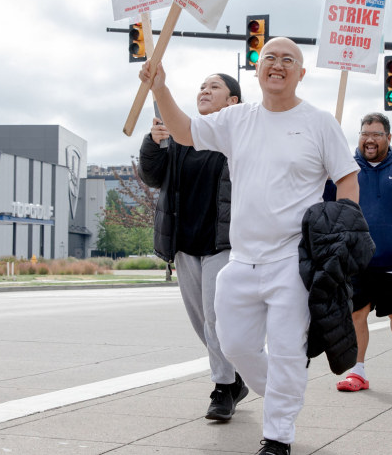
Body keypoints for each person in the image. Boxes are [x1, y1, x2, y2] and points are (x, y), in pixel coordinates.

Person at [139, 37, 359, 455]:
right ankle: (283, 390)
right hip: (241, 259)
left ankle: (278, 436)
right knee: (234, 344)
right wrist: (159, 88)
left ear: (300, 72)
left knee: (287, 345)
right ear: (257, 70)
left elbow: (346, 178)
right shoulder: (237, 119)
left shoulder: (319, 122)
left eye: (288, 60)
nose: (277, 65)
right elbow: (184, 131)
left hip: (293, 259)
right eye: (270, 58)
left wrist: (341, 232)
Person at [137, 73, 248, 421]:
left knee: (217, 318)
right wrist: (152, 143)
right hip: (184, 244)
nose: (205, 90)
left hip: (222, 243)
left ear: (233, 101)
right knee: (202, 321)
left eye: (214, 87)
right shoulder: (181, 136)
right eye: (202, 86)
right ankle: (236, 377)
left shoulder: (239, 136)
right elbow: (153, 177)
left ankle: (223, 388)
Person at [334, 113, 392, 393]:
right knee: (356, 314)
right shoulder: (345, 169)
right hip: (356, 259)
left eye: (376, 134)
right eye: (364, 133)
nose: (369, 139)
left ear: (388, 137)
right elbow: (330, 205)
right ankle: (357, 371)